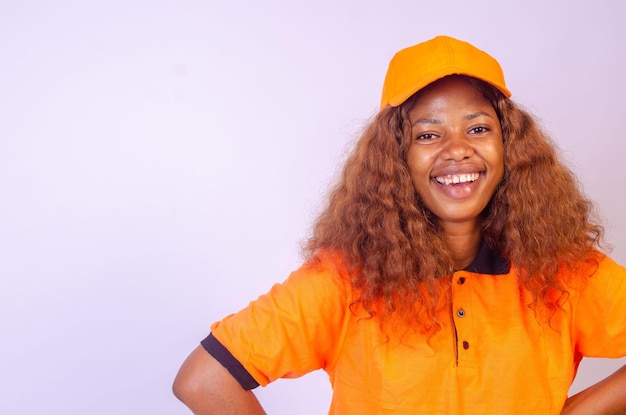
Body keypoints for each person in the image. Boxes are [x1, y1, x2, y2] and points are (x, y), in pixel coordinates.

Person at [172, 35, 626, 414]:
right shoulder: (344, 279)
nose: (457, 149)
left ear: (510, 147)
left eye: (478, 128)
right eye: (428, 134)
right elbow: (204, 379)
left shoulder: (563, 271)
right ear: (397, 158)